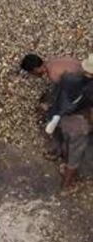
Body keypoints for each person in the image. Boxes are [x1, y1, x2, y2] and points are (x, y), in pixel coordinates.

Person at [44, 55, 93, 191]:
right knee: (75, 156)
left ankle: (63, 164)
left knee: (66, 144)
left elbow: (57, 98)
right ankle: (67, 185)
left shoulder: (68, 78)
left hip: (62, 119)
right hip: (79, 124)